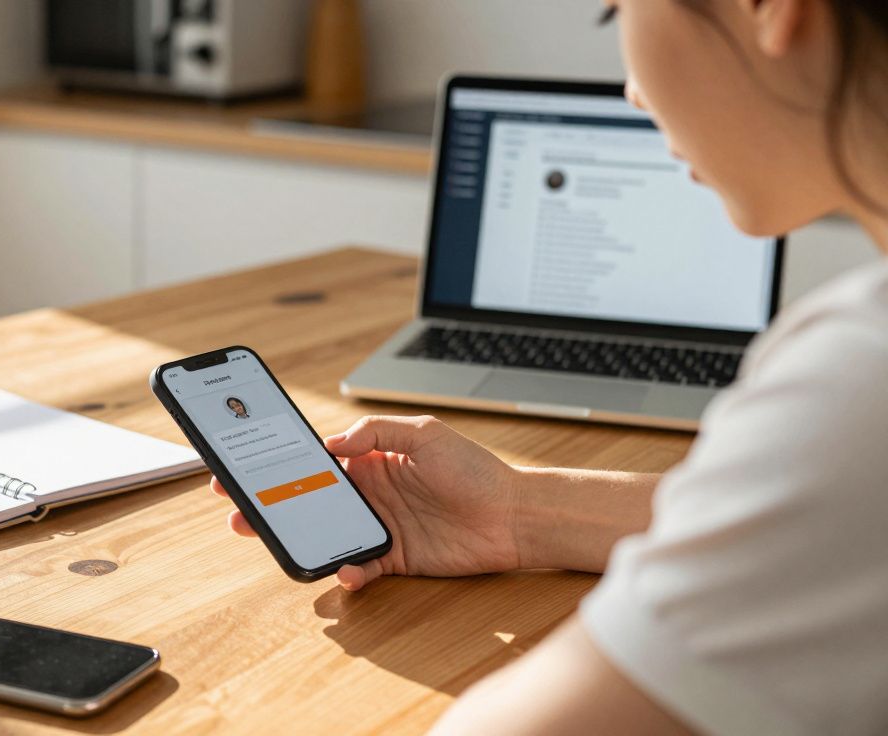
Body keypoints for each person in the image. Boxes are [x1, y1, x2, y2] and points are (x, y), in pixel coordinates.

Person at [211, 1, 888, 733]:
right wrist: (519, 511)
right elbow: (805, 520)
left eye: (618, 11)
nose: (633, 91)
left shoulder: (859, 377)